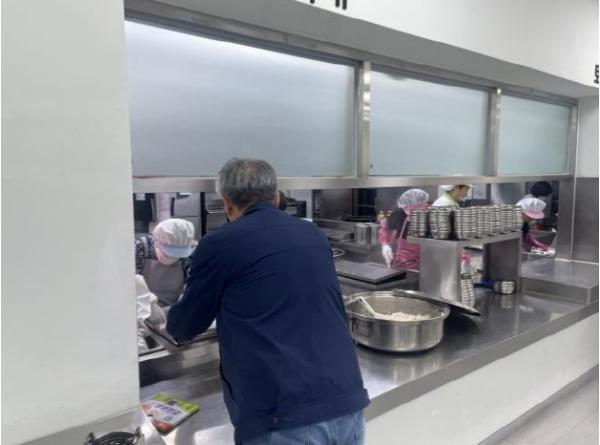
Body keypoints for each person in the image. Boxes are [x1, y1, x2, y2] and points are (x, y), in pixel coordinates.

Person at [167, 158, 369, 445]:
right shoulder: (312, 233)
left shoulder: (219, 244)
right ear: (276, 198)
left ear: (226, 203)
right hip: (348, 406)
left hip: (283, 419)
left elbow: (185, 326)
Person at [135, 218, 195, 306]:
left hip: (172, 308)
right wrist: (150, 307)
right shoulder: (142, 247)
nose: (173, 258)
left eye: (178, 255)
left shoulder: (189, 255)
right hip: (143, 307)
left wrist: (181, 305)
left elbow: (191, 286)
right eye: (168, 253)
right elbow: (131, 283)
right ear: (156, 242)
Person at [379, 189, 429, 270]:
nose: (425, 205)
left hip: (425, 262)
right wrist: (385, 244)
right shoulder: (399, 213)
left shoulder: (428, 215)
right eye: (424, 203)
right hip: (404, 263)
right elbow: (386, 227)